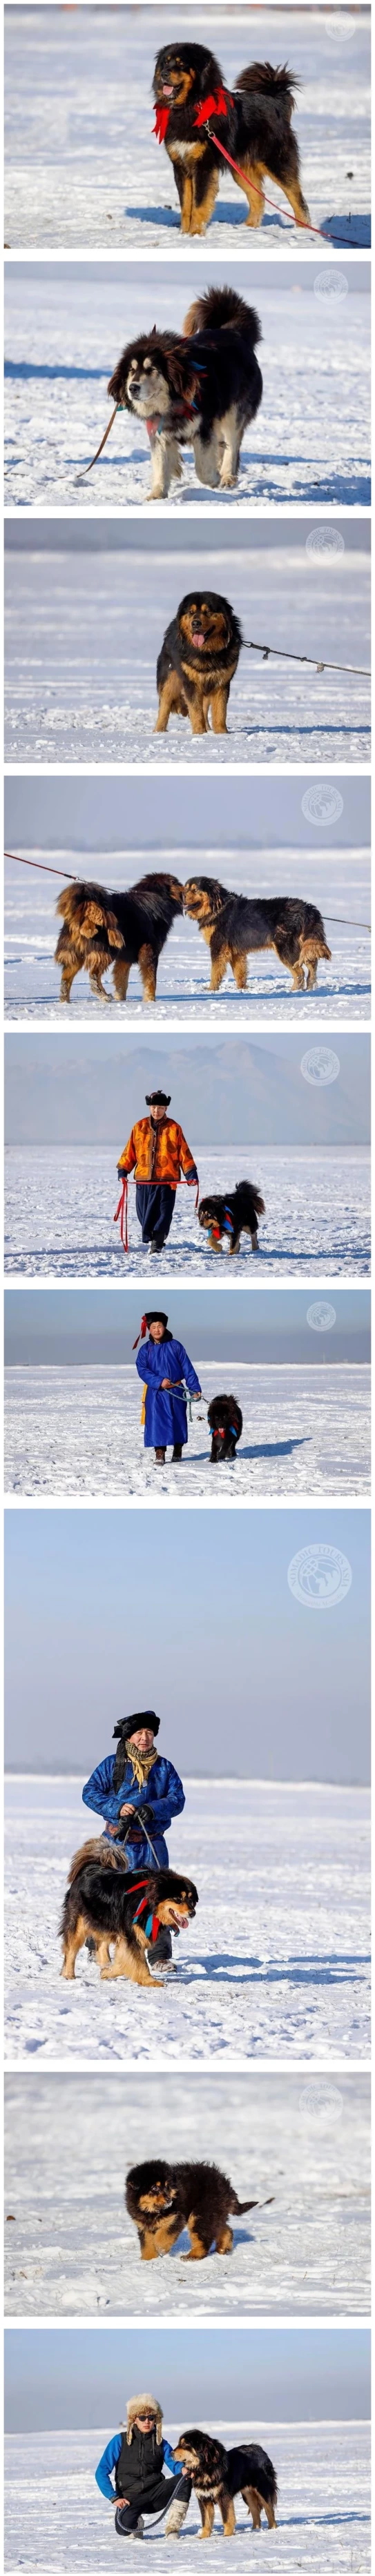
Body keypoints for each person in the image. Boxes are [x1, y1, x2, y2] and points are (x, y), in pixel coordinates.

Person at [82, 1709, 185, 1963]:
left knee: (159, 1897)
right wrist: (117, 1807)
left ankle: (159, 1955)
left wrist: (153, 1809)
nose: (144, 1738)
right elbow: (90, 1792)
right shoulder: (112, 1765)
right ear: (128, 1737)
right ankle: (97, 1945)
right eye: (139, 1732)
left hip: (152, 1844)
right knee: (108, 1894)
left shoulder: (164, 1768)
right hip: (117, 1844)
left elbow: (177, 1799)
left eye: (149, 1733)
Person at [95, 2393, 191, 2541]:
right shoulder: (119, 2441)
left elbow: (174, 2464)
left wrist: (183, 2469)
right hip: (130, 2497)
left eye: (151, 2418)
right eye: (142, 2418)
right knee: (123, 2530)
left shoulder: (161, 2442)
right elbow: (101, 2472)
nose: (147, 2422)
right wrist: (114, 2498)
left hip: (156, 2493)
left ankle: (173, 2528)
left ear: (155, 2420)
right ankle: (137, 2523)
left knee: (185, 2478)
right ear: (134, 2419)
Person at [117, 1089, 198, 1254]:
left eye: (160, 1107)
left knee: (164, 1214)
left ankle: (157, 1243)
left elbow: (184, 1152)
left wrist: (191, 1174)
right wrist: (123, 1172)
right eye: (154, 1107)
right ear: (149, 1107)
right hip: (143, 1180)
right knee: (144, 1214)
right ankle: (155, 1239)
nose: (157, 1111)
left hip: (167, 1181)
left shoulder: (174, 1128)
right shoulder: (139, 1127)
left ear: (166, 1109)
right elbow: (130, 1151)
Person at [134, 1309, 202, 1465]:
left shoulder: (176, 1346)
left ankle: (178, 1448)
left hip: (177, 1390)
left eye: (159, 1326)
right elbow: (142, 1369)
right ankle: (160, 1453)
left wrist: (194, 1389)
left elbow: (187, 1368)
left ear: (164, 1327)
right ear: (149, 1329)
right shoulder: (145, 1350)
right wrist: (158, 1381)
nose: (157, 1330)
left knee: (178, 1420)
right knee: (157, 1421)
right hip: (156, 1392)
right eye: (153, 1327)